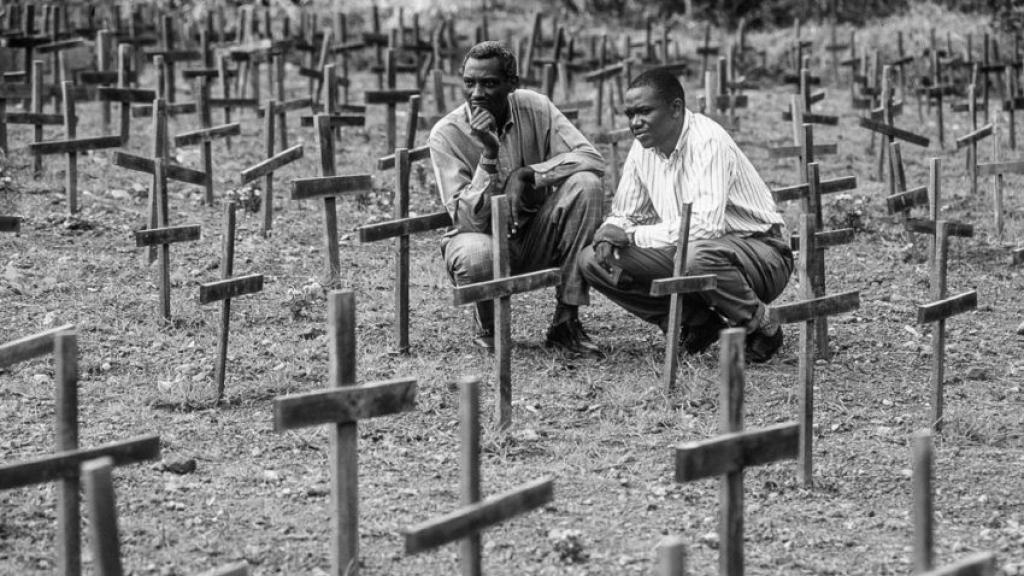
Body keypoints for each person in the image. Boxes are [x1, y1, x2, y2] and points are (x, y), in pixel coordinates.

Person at [578, 68, 793, 362]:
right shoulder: (643, 150)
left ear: (676, 108)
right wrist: (610, 232)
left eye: (644, 112)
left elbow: (705, 227)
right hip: (692, 250)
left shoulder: (708, 141)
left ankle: (761, 326)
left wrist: (629, 235)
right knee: (593, 260)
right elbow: (627, 212)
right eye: (630, 114)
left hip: (760, 253)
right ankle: (697, 322)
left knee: (696, 256)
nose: (635, 122)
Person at [429, 41, 605, 355]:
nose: (477, 93)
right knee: (477, 254)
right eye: (469, 83)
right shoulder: (446, 133)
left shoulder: (536, 107)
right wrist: (489, 155)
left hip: (535, 233)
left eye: (489, 83)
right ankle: (489, 325)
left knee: (586, 184)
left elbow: (591, 159)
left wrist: (528, 174)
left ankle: (566, 321)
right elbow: (468, 221)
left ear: (512, 83)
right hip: (482, 237)